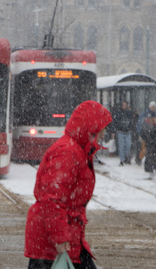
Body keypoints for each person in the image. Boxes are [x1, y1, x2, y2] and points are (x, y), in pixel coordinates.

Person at [24, 100, 112, 269]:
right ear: (92, 127)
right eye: (102, 127)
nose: (104, 132)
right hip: (52, 242)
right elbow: (52, 197)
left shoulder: (77, 150)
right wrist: (59, 237)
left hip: (64, 236)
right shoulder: (68, 152)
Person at [140, 110, 156, 179]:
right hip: (149, 143)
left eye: (152, 118)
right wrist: (147, 140)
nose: (151, 120)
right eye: (149, 118)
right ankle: (150, 170)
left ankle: (154, 168)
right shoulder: (145, 125)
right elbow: (143, 133)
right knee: (150, 156)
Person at [112, 101, 135, 166]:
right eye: (123, 105)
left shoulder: (129, 112)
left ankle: (126, 157)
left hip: (127, 131)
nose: (124, 107)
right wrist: (114, 130)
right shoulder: (118, 113)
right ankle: (122, 160)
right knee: (121, 146)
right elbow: (115, 121)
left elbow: (133, 119)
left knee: (128, 145)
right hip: (120, 131)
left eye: (125, 105)